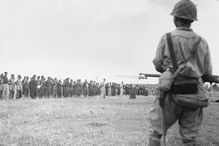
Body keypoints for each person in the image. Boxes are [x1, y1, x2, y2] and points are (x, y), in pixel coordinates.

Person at [147, 0, 213, 146]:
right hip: (194, 94)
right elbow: (207, 72)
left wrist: (170, 71)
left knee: (155, 133)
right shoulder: (202, 42)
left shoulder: (167, 38)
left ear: (175, 18)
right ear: (192, 21)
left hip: (170, 93)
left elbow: (158, 65)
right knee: (190, 139)